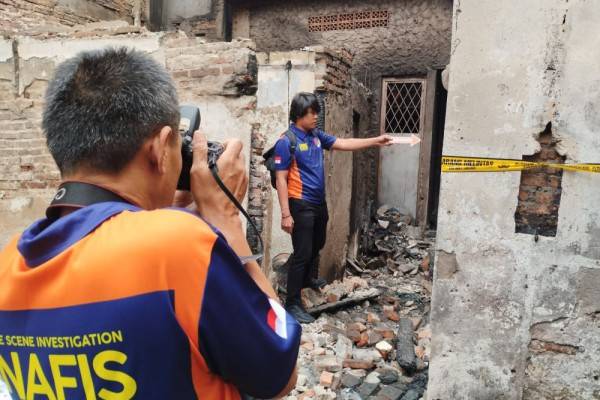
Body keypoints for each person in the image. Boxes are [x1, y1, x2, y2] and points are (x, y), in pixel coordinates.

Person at [0, 47, 300, 399]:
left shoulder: (9, 263)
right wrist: (227, 221)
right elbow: (279, 375)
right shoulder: (177, 247)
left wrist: (157, 210)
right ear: (159, 150)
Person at [275, 92, 393, 323]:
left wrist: (376, 140)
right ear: (299, 115)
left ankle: (308, 280)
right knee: (302, 253)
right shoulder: (286, 141)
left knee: (317, 243)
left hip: (318, 203)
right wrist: (285, 214)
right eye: (312, 113)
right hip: (300, 204)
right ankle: (292, 303)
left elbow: (343, 143)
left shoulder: (316, 136)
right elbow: (281, 179)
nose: (316, 117)